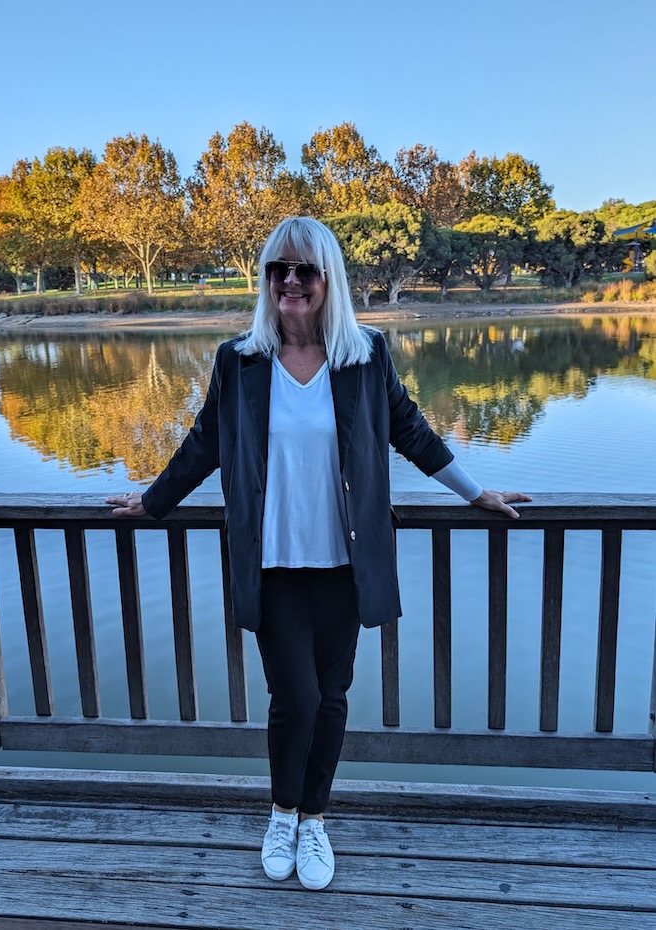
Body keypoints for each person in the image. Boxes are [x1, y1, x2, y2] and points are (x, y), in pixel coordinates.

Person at [107, 216, 531, 891]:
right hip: (272, 563)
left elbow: (414, 433)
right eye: (279, 269)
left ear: (328, 278)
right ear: (267, 280)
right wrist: (153, 501)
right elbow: (203, 443)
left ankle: (315, 820)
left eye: (305, 270)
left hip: (343, 562)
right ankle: (281, 813)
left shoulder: (364, 355)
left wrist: (474, 492)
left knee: (332, 697)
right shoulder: (238, 360)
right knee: (293, 698)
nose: (292, 282)